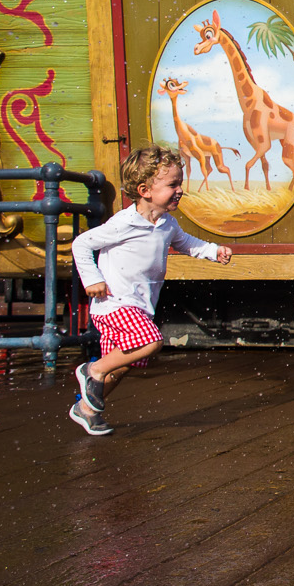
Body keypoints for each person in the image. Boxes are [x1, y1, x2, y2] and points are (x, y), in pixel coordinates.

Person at [67, 146, 231, 436]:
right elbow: (82, 243)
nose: (180, 190)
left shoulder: (167, 224)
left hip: (140, 305)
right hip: (113, 303)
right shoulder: (123, 223)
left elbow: (187, 243)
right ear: (144, 190)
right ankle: (89, 371)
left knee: (119, 366)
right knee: (151, 342)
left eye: (180, 183)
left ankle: (87, 408)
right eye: (172, 185)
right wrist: (91, 278)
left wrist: (213, 251)